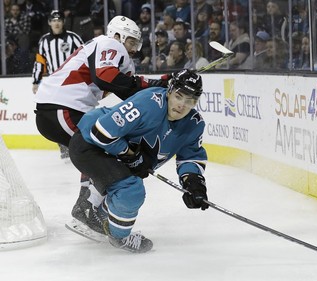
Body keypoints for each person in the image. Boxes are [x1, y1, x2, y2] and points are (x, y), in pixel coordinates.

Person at [33, 16, 169, 224]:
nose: (133, 49)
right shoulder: (109, 42)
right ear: (117, 35)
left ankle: (87, 206)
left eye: (136, 44)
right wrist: (158, 84)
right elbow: (105, 77)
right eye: (131, 41)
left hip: (59, 109)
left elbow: (130, 90)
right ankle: (86, 208)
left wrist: (165, 84)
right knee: (100, 146)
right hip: (61, 108)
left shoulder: (116, 57)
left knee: (100, 149)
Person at [68, 69, 209, 253]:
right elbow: (101, 132)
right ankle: (118, 236)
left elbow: (191, 156)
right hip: (89, 144)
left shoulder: (194, 124)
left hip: (111, 154)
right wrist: (130, 154)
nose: (182, 105)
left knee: (131, 177)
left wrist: (194, 182)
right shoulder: (149, 103)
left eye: (189, 101)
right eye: (179, 96)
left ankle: (93, 214)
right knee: (131, 190)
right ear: (169, 91)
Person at [32, 10, 84, 161]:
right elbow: (40, 61)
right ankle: (63, 144)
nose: (56, 23)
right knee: (54, 114)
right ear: (49, 22)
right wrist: (36, 80)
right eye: (53, 20)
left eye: (59, 20)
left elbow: (85, 56)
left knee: (72, 112)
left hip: (73, 83)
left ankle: (75, 143)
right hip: (55, 83)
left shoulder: (73, 38)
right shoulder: (44, 41)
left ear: (63, 22)